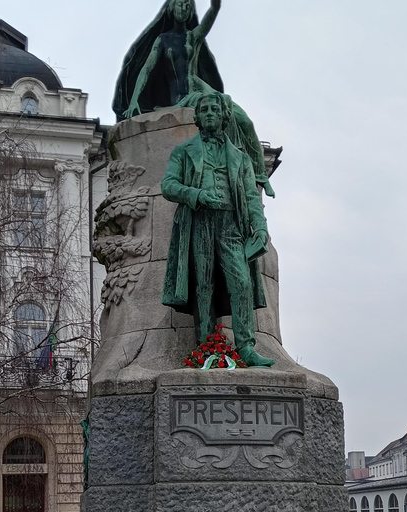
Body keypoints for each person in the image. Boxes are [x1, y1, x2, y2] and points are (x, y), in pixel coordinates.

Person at [113, 0, 275, 198]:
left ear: (190, 11)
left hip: (201, 92)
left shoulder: (193, 37)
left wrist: (216, 5)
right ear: (171, 9)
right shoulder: (162, 40)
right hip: (183, 100)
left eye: (186, 5)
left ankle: (260, 174)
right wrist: (133, 102)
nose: (183, 8)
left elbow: (212, 13)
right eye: (179, 4)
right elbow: (146, 70)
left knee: (244, 120)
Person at [161, 92, 275, 367]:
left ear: (224, 116)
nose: (210, 112)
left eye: (215, 109)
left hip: (231, 225)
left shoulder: (240, 157)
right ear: (197, 117)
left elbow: (251, 197)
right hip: (199, 221)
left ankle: (246, 346)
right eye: (205, 109)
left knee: (242, 283)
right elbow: (168, 186)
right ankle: (206, 346)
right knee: (204, 285)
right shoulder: (184, 151)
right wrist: (196, 195)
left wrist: (260, 228)